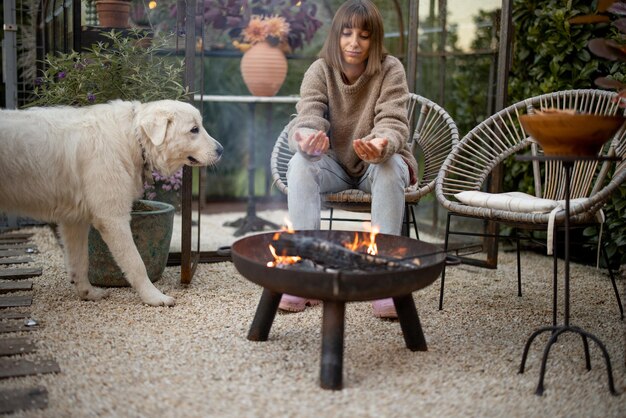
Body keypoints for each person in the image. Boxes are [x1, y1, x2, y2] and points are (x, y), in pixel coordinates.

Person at [280, 0, 418, 319]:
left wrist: (382, 144)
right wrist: (305, 140)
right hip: (336, 166)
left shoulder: (390, 68)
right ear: (336, 37)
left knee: (390, 165)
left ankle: (381, 278)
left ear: (375, 40)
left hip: (376, 164)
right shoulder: (320, 70)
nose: (354, 42)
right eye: (347, 33)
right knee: (299, 164)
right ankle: (305, 271)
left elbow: (394, 121)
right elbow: (308, 116)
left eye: (364, 35)